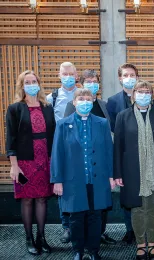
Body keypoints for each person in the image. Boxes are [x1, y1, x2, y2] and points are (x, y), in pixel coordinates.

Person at [114, 80, 154, 260]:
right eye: (139, 91)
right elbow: (117, 146)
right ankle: (141, 244)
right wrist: (117, 173)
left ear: (152, 95)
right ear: (133, 95)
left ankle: (153, 243)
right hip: (132, 171)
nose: (143, 94)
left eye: (146, 91)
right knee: (137, 208)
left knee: (153, 208)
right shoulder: (122, 116)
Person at [51, 88, 114, 260]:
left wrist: (111, 176)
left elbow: (109, 151)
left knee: (95, 217)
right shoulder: (63, 124)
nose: (85, 101)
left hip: (98, 179)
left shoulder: (102, 123)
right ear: (74, 102)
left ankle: (93, 251)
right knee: (76, 218)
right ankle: (78, 251)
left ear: (93, 101)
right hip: (72, 180)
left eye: (88, 98)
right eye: (81, 98)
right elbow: (57, 154)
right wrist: (57, 180)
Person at [6, 70, 56, 255]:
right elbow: (10, 139)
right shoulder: (14, 108)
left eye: (34, 81)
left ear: (39, 83)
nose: (32, 84)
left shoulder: (47, 106)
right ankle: (29, 239)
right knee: (27, 199)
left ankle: (41, 237)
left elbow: (53, 134)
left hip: (45, 160)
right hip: (25, 162)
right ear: (22, 85)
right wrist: (14, 165)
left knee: (42, 198)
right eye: (27, 81)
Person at [63, 69, 115, 245]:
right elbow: (67, 139)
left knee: (99, 206)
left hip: (99, 164)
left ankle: (98, 234)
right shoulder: (73, 106)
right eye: (88, 81)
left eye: (95, 81)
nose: (92, 84)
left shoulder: (103, 104)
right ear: (82, 82)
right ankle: (78, 238)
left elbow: (109, 133)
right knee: (80, 208)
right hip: (79, 165)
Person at [106, 63, 140, 244]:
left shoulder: (146, 96)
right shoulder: (112, 101)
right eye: (125, 75)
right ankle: (130, 230)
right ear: (120, 78)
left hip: (144, 154)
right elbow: (113, 127)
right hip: (125, 154)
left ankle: (142, 228)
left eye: (132, 75)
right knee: (127, 194)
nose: (129, 78)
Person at [45, 62, 78, 243]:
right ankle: (66, 226)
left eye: (71, 73)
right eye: (64, 73)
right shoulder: (52, 98)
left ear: (76, 75)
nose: (68, 76)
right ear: (59, 75)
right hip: (61, 149)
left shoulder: (83, 96)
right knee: (62, 188)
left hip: (81, 150)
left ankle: (79, 226)